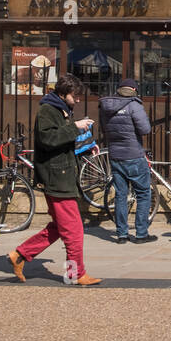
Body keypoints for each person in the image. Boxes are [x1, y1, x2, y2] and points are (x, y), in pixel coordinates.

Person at [8, 74, 101, 286]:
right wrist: (75, 127)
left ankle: (20, 254)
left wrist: (86, 147)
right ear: (62, 93)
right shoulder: (48, 111)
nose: (77, 100)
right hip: (57, 178)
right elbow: (48, 139)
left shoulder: (61, 109)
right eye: (74, 96)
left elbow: (63, 143)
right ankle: (75, 274)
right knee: (74, 229)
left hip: (61, 176)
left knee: (60, 227)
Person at [99, 77, 152, 244]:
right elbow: (145, 129)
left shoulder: (105, 106)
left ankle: (122, 234)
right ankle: (141, 233)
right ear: (134, 90)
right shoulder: (134, 105)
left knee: (121, 195)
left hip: (115, 155)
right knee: (143, 194)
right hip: (134, 155)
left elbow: (103, 129)